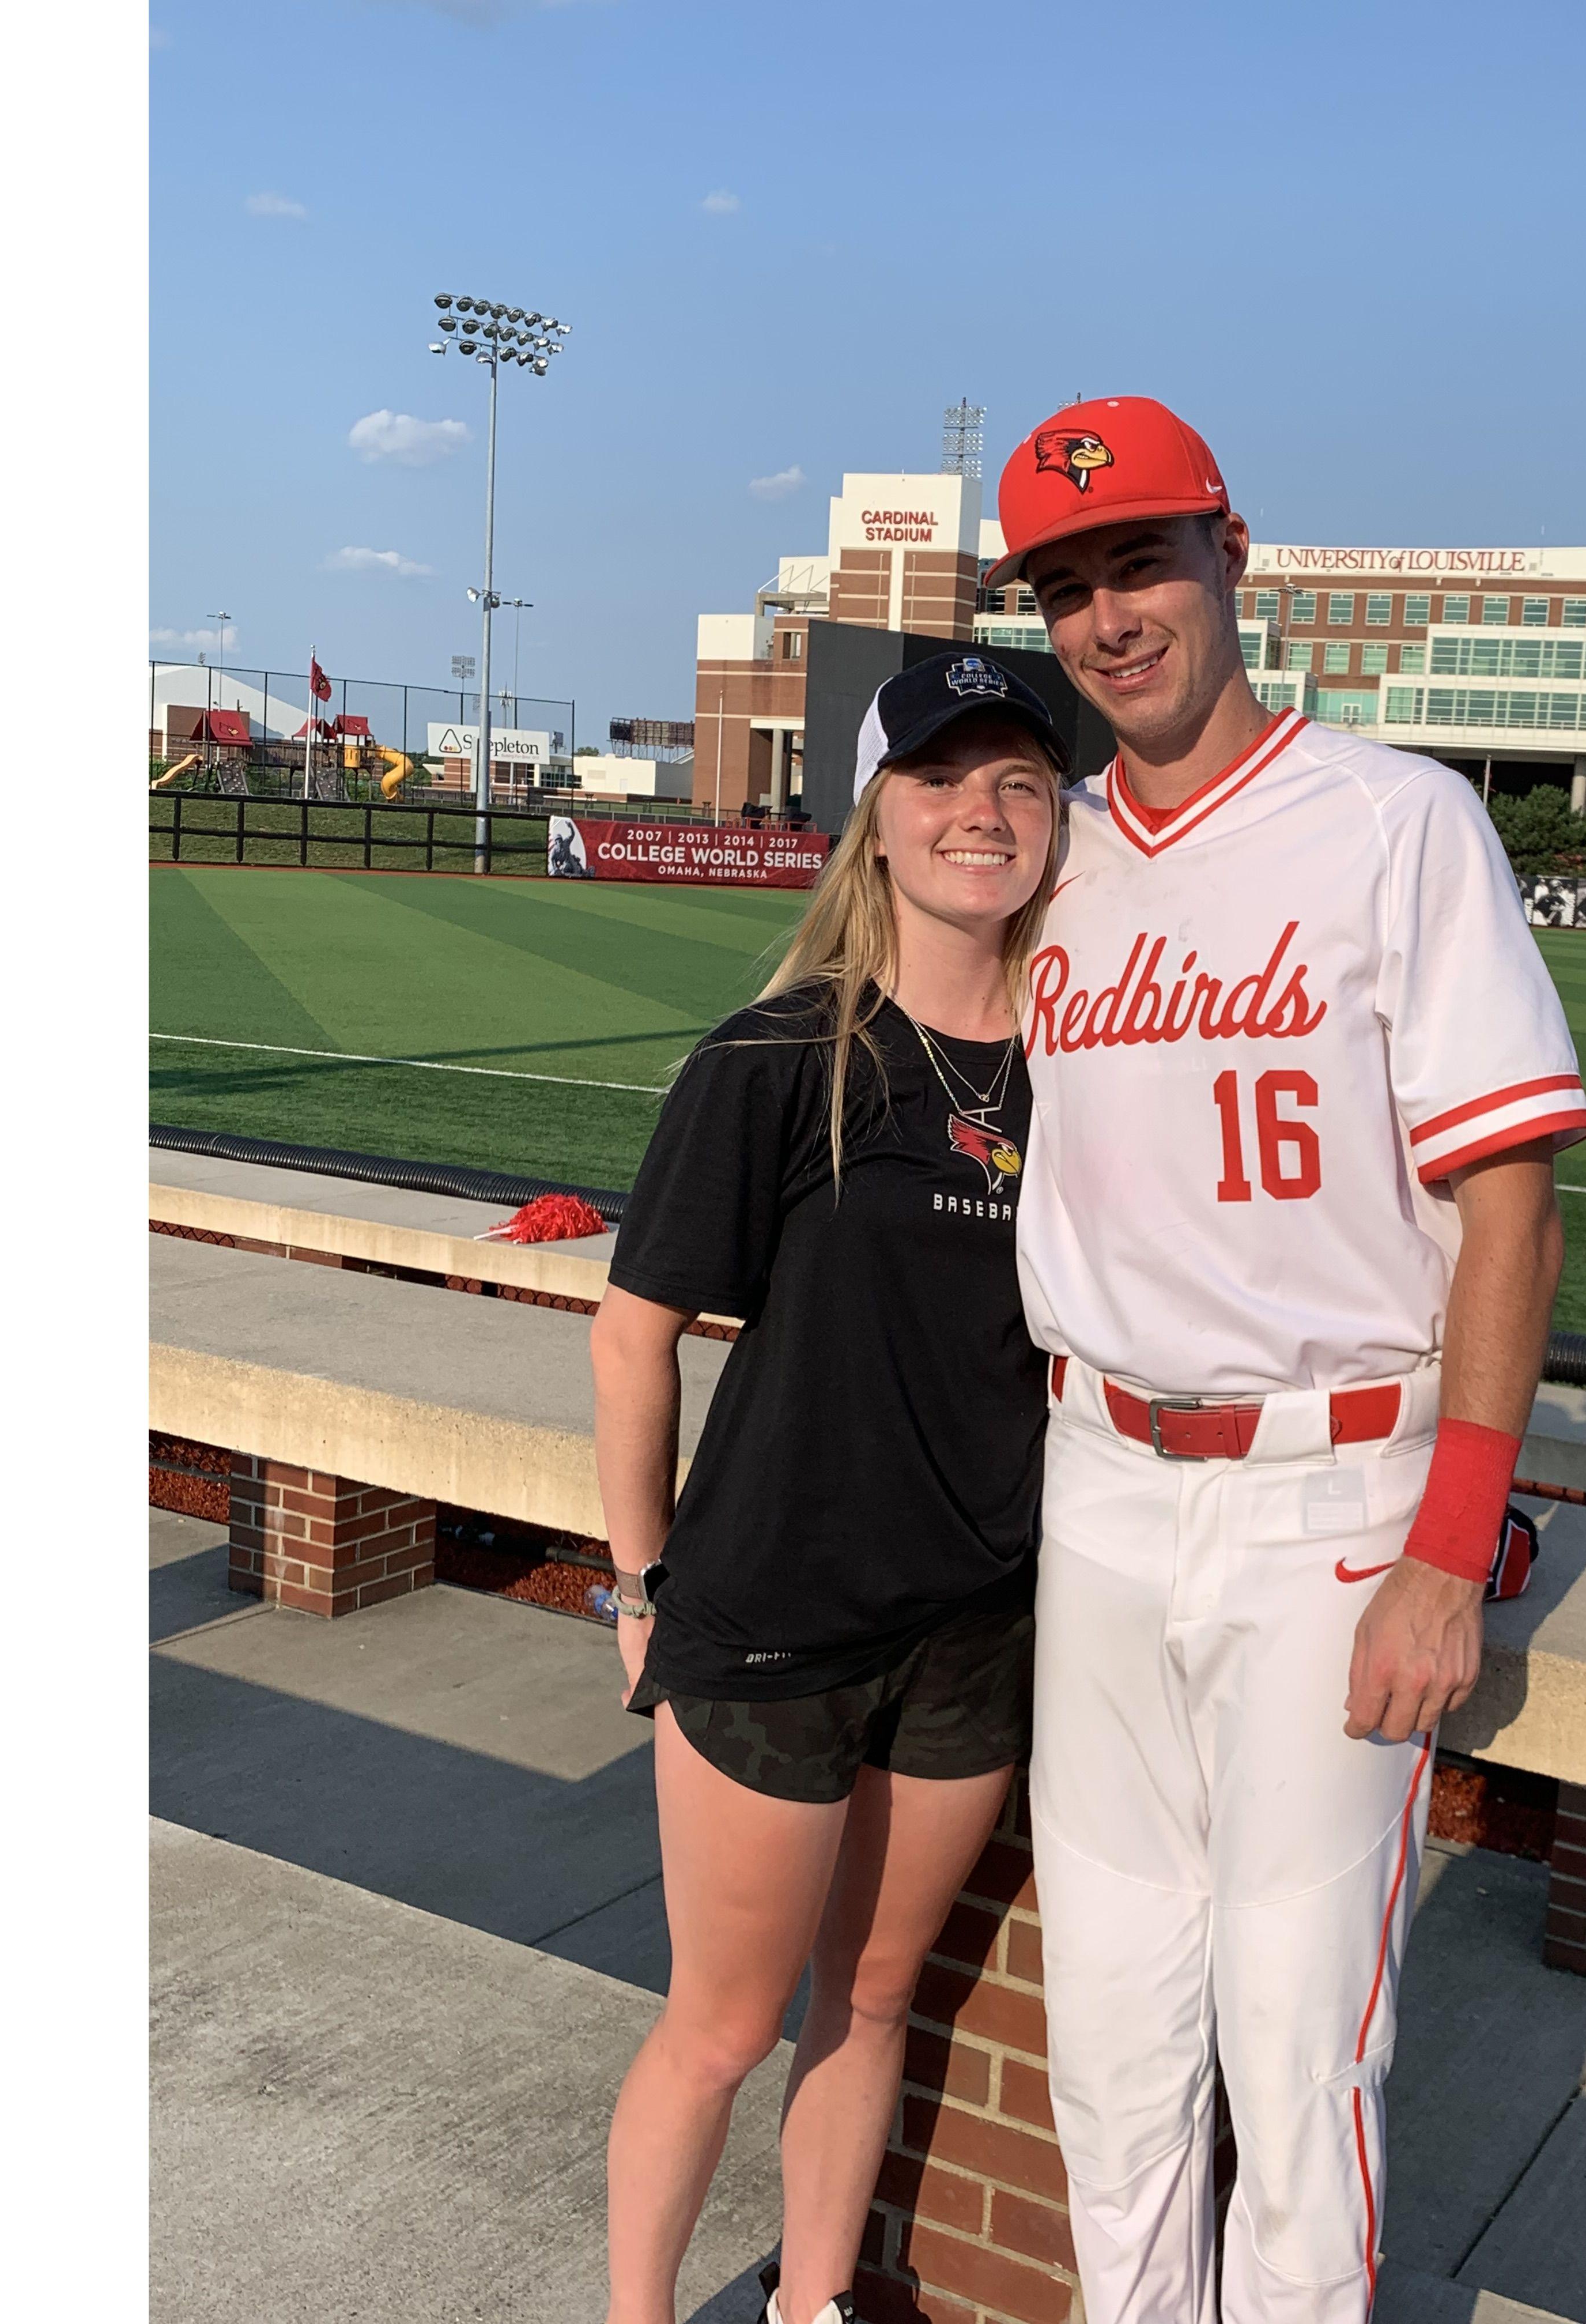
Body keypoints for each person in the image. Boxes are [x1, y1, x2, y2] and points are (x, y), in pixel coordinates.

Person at [987, 397, 1586, 2323]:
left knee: (1296, 2054)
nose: (1109, 615)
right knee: (1110, 2046)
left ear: (1234, 560)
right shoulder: (1050, 856)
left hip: (1328, 1505)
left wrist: (1450, 1542)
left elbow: (1510, 1205)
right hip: (1095, 1486)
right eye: (1068, 584)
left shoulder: (1401, 818)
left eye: (1142, 560)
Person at [588, 652, 1068, 2324]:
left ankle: (809, 2307)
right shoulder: (782, 1055)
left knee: (869, 2002)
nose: (982, 814)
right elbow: (632, 1337)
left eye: (1019, 781)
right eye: (942, 781)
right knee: (721, 2025)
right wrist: (642, 1586)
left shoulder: (1089, 1071)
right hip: (774, 1614)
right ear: (876, 820)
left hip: (974, 1629)